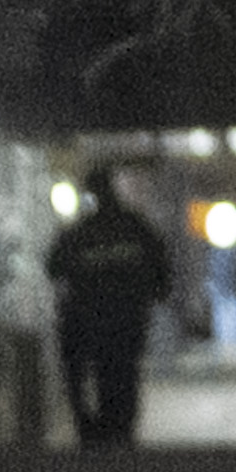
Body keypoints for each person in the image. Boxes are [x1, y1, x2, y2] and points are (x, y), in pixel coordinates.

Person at [48, 177, 179, 448]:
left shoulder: (81, 231)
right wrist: (155, 293)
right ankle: (120, 428)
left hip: (91, 320)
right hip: (128, 318)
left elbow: (53, 267)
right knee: (124, 374)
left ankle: (96, 429)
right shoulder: (135, 227)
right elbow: (161, 266)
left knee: (99, 373)